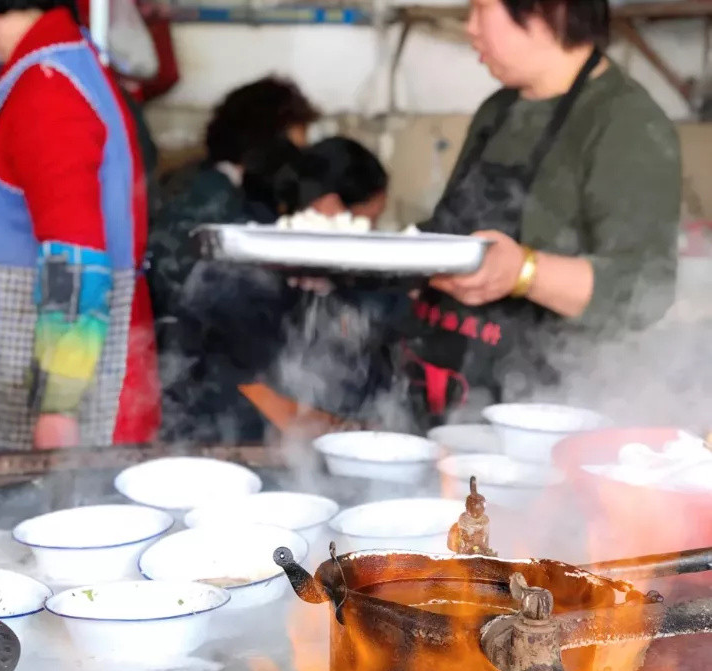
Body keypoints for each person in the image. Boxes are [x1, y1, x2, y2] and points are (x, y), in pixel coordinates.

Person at [405, 0, 681, 426]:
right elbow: (453, 232)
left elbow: (644, 288)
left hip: (549, 412)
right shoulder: (497, 111)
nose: (470, 27)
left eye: (481, 7)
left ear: (545, 10)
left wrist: (524, 272)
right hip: (447, 392)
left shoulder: (626, 123)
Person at [0, 0, 159, 451]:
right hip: (19, 362)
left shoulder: (47, 87)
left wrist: (59, 407)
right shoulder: (51, 66)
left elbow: (76, 260)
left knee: (50, 513)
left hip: (60, 386)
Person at [162, 136, 396, 442]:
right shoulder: (246, 267)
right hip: (217, 444)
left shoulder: (311, 270)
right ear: (330, 208)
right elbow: (233, 381)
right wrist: (336, 434)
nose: (372, 234)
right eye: (370, 222)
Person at [146, 76, 318, 321]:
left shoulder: (230, 191)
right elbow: (175, 287)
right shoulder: (206, 195)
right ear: (266, 142)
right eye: (293, 150)